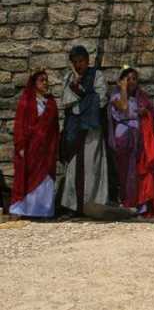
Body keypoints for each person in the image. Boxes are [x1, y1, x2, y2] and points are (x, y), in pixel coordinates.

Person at [60, 46, 110, 215]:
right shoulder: (69, 77)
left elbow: (101, 99)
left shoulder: (97, 75)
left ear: (87, 61)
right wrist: (76, 86)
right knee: (73, 166)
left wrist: (80, 94)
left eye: (81, 61)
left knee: (91, 166)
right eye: (75, 62)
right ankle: (73, 206)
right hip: (74, 128)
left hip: (91, 128)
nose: (78, 65)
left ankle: (91, 205)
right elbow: (66, 100)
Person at [107, 67, 154, 215]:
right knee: (124, 171)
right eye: (128, 79)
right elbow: (123, 107)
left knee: (137, 170)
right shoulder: (116, 96)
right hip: (123, 135)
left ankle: (139, 204)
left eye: (134, 79)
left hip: (138, 136)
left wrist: (145, 112)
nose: (131, 82)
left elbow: (152, 114)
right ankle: (126, 202)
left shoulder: (140, 97)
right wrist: (123, 89)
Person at [11, 70, 59, 218]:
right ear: (34, 83)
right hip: (30, 147)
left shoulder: (51, 102)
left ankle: (43, 211)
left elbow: (55, 128)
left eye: (46, 80)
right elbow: (20, 124)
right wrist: (20, 145)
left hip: (46, 149)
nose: (45, 83)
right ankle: (26, 210)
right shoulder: (26, 101)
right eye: (41, 80)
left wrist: (54, 146)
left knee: (45, 179)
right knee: (29, 178)